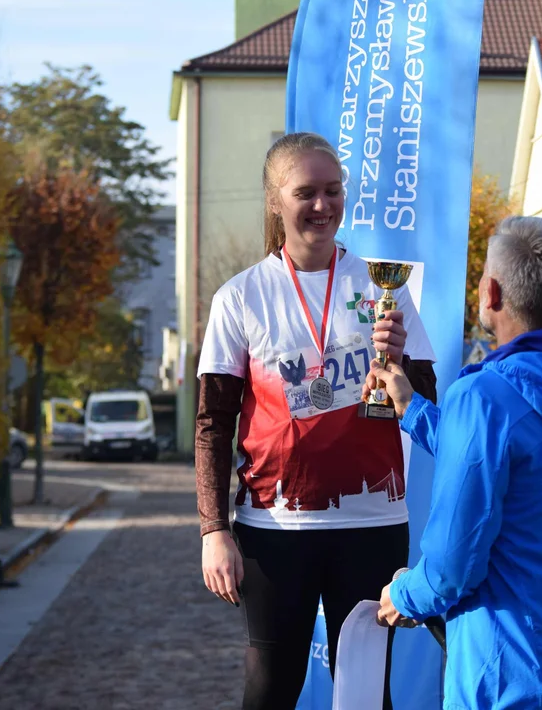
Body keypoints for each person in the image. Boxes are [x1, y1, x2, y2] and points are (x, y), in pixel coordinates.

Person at [195, 131, 438, 710]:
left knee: (365, 693)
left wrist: (399, 361)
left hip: (374, 523)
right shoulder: (241, 296)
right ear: (276, 202)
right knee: (271, 690)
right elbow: (212, 423)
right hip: (274, 530)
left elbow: (427, 401)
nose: (323, 205)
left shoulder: (384, 287)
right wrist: (213, 530)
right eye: (306, 192)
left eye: (333, 190)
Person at [367, 216, 542, 709]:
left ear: (491, 292)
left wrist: (404, 596)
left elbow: (450, 565)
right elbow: (513, 467)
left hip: (508, 677)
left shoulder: (483, 397)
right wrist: (412, 409)